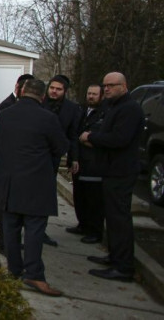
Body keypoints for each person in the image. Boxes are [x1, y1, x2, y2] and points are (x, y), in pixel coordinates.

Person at [0, 78, 69, 296]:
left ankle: (14, 270)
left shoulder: (5, 114)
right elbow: (61, 146)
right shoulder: (48, 118)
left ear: (22, 91)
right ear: (42, 96)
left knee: (11, 228)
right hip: (36, 184)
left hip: (8, 183)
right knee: (34, 230)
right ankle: (33, 275)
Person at [80, 72, 144, 282]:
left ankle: (123, 267)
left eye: (111, 86)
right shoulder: (113, 107)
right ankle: (115, 257)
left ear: (124, 86)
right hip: (110, 170)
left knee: (119, 218)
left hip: (121, 171)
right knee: (112, 217)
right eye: (105, 85)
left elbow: (119, 139)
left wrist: (92, 137)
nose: (106, 89)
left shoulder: (130, 109)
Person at [0, 73, 35, 252]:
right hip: (6, 163)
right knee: (6, 206)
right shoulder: (7, 106)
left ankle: (8, 239)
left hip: (17, 164)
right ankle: (4, 242)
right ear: (19, 88)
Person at [41, 74, 81, 247]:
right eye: (52, 88)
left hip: (53, 158)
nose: (54, 91)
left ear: (65, 91)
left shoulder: (72, 109)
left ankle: (40, 230)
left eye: (58, 89)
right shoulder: (40, 103)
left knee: (45, 195)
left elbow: (73, 135)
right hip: (34, 155)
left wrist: (74, 158)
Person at [68, 84, 106, 243]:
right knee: (80, 195)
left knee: (94, 199)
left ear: (101, 96)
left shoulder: (104, 114)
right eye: (89, 93)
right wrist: (74, 158)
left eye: (94, 94)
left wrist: (87, 139)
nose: (91, 96)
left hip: (95, 164)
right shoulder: (81, 111)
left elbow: (101, 138)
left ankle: (95, 231)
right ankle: (82, 224)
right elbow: (75, 135)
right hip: (79, 161)